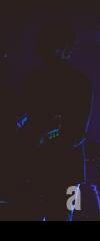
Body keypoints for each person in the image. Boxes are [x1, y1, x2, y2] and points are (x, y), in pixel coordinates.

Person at [15, 17, 92, 220]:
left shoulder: (32, 80)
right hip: (65, 170)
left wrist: (40, 138)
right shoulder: (79, 82)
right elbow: (78, 133)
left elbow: (77, 133)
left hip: (46, 169)